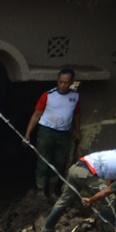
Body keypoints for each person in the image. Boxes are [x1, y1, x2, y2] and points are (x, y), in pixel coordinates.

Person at [41, 148, 116, 232]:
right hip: (87, 173)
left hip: (75, 168)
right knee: (109, 198)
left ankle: (48, 228)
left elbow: (113, 180)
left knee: (64, 200)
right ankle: (112, 231)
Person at [26, 68, 81, 199]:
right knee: (43, 161)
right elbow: (36, 115)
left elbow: (77, 115)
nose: (62, 85)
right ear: (57, 81)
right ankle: (40, 190)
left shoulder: (75, 97)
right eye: (60, 82)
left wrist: (77, 132)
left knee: (58, 163)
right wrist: (28, 133)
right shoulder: (48, 95)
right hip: (47, 131)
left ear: (72, 82)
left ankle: (51, 192)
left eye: (66, 82)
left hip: (63, 134)